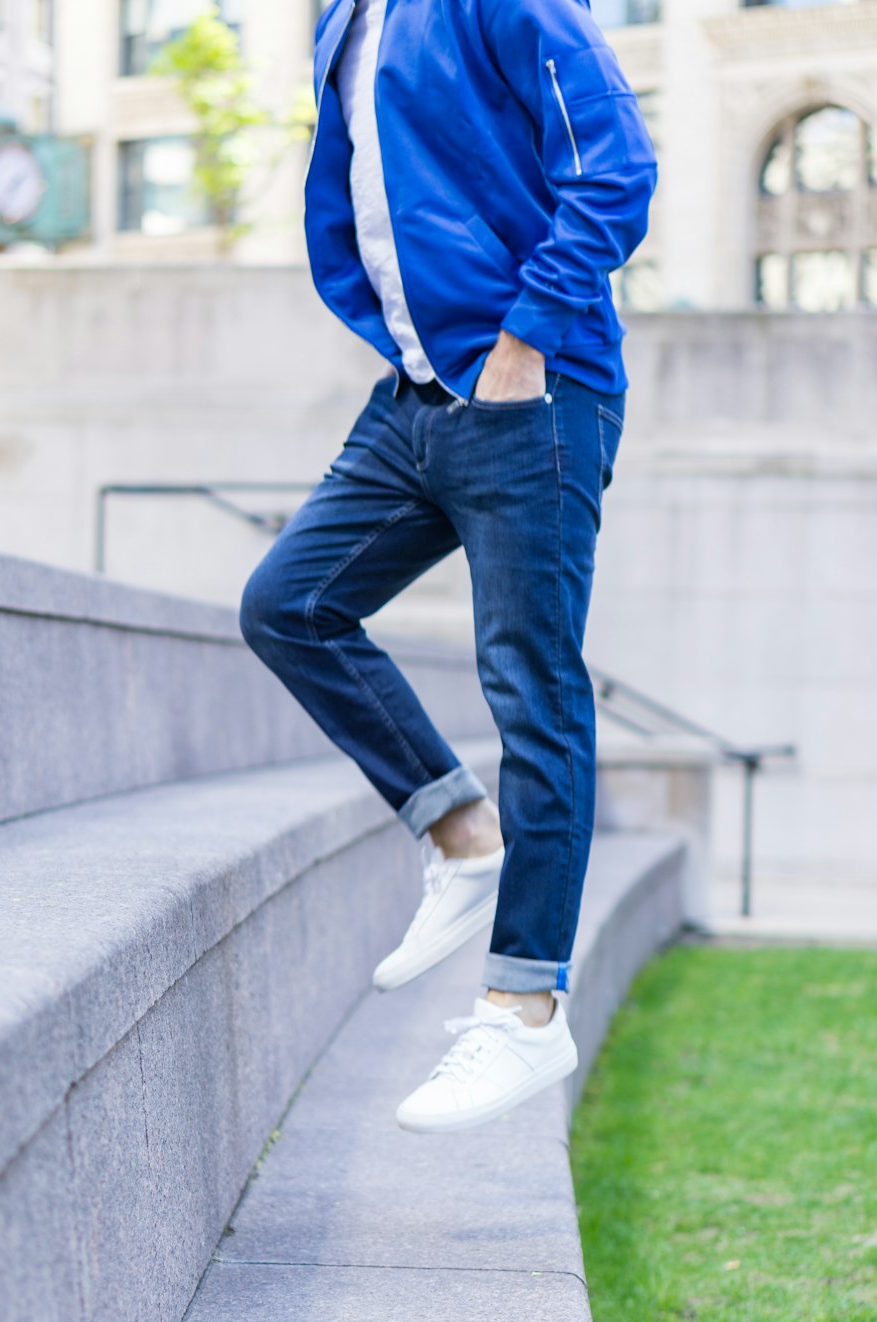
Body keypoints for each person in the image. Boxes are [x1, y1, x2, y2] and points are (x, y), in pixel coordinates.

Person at [240, 0, 657, 1132]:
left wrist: (524, 341)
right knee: (289, 606)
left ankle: (525, 1008)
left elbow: (616, 169)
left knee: (532, 684)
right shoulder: (341, 18)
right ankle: (459, 833)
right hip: (418, 398)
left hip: (536, 389)